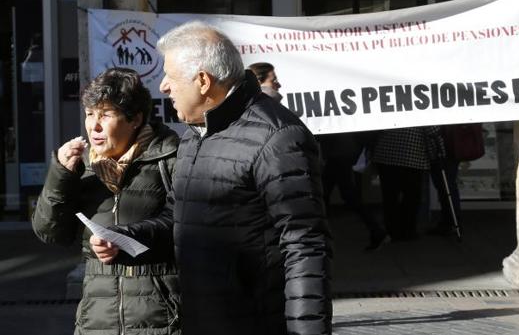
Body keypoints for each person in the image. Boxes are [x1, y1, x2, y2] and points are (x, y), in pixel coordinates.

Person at [157, 21, 332, 335]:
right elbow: (178, 215)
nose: (163, 86)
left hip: (256, 322)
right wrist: (124, 239)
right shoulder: (195, 133)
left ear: (202, 81)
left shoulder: (277, 136)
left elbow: (304, 244)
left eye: (170, 75)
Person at [31, 68, 181, 335]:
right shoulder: (83, 165)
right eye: (90, 114)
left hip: (160, 318)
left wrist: (124, 239)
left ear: (135, 119)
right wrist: (60, 175)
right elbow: (50, 233)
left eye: (106, 115)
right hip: (96, 320)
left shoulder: (169, 157)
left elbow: (184, 224)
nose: (94, 126)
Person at [371, 126, 444, 241]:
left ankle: (392, 231)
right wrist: (439, 153)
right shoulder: (420, 109)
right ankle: (408, 230)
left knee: (390, 197)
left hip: (385, 155)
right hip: (412, 156)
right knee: (412, 197)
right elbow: (432, 132)